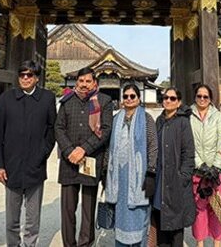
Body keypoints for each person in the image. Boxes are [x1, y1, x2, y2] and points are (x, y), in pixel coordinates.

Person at [0, 61, 57, 247]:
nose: (25, 78)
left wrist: (43, 153)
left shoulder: (47, 98)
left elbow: (51, 130)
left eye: (30, 75)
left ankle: (30, 245)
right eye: (22, 75)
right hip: (10, 165)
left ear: (37, 78)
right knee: (11, 217)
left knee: (32, 217)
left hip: (35, 165)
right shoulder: (6, 98)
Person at [54, 67, 113, 247]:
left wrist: (84, 149)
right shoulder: (67, 101)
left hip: (91, 160)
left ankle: (85, 244)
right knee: (68, 210)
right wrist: (70, 150)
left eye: (88, 81)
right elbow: (58, 128)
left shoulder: (104, 101)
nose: (84, 84)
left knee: (88, 209)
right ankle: (69, 244)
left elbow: (105, 129)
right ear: (76, 82)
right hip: (69, 161)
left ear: (95, 83)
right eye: (81, 81)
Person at [105, 83, 156, 246]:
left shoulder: (146, 118)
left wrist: (151, 172)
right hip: (118, 178)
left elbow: (153, 145)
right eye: (125, 96)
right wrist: (106, 169)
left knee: (138, 215)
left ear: (138, 99)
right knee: (121, 216)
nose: (128, 99)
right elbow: (109, 147)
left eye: (132, 96)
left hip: (139, 176)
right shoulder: (115, 119)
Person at [151, 87, 195, 247]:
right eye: (165, 98)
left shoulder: (183, 122)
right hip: (160, 181)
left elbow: (188, 153)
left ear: (179, 102)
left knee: (176, 228)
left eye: (172, 98)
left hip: (175, 180)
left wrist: (183, 176)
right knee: (161, 223)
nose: (168, 101)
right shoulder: (159, 121)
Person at [189, 84, 221, 247]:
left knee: (217, 207)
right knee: (199, 208)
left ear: (210, 98)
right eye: (199, 96)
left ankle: (217, 243)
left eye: (205, 96)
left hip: (216, 170)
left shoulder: (217, 116)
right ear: (195, 97)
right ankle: (200, 243)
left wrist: (216, 166)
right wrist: (201, 166)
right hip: (198, 170)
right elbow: (189, 143)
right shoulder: (188, 115)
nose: (202, 99)